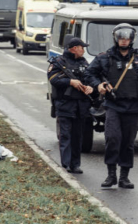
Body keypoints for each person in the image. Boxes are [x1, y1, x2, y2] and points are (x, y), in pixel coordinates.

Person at [83, 23, 138, 190]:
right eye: (121, 38)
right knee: (112, 138)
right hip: (113, 105)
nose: (124, 41)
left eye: (127, 38)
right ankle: (111, 174)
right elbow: (89, 73)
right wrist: (98, 85)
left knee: (128, 142)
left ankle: (124, 177)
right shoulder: (104, 58)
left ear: (132, 39)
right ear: (116, 38)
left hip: (133, 106)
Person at [48, 37, 94, 174]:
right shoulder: (58, 62)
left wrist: (91, 87)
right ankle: (65, 164)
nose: (84, 50)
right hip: (65, 105)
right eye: (82, 47)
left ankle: (75, 164)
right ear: (74, 48)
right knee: (66, 135)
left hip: (81, 106)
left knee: (77, 136)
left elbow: (90, 77)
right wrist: (70, 82)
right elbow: (53, 79)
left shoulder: (84, 63)